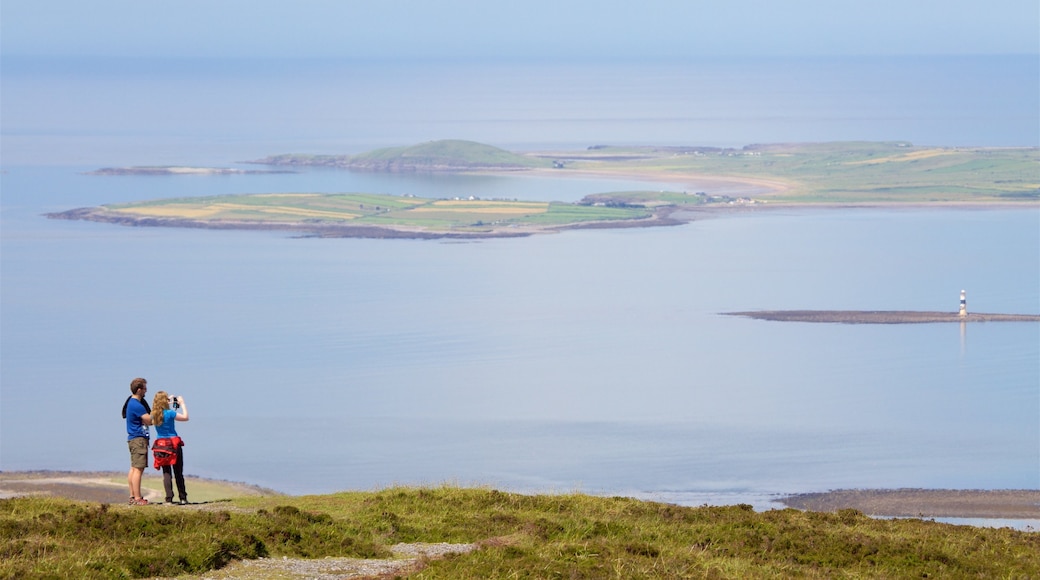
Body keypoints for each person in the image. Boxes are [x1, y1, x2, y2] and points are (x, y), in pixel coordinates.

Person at [151, 391, 190, 505]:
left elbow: (156, 413)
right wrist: (182, 404)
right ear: (165, 401)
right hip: (173, 444)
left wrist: (168, 399)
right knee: (178, 472)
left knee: (166, 472)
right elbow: (185, 417)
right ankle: (182, 497)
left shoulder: (154, 414)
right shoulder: (170, 413)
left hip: (161, 445)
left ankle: (169, 498)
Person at [123, 377, 152, 506]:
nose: (146, 391)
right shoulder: (136, 405)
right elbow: (149, 420)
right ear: (139, 390)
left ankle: (132, 496)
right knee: (138, 469)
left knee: (134, 468)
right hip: (138, 438)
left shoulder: (130, 403)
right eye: (145, 388)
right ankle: (137, 497)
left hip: (133, 438)